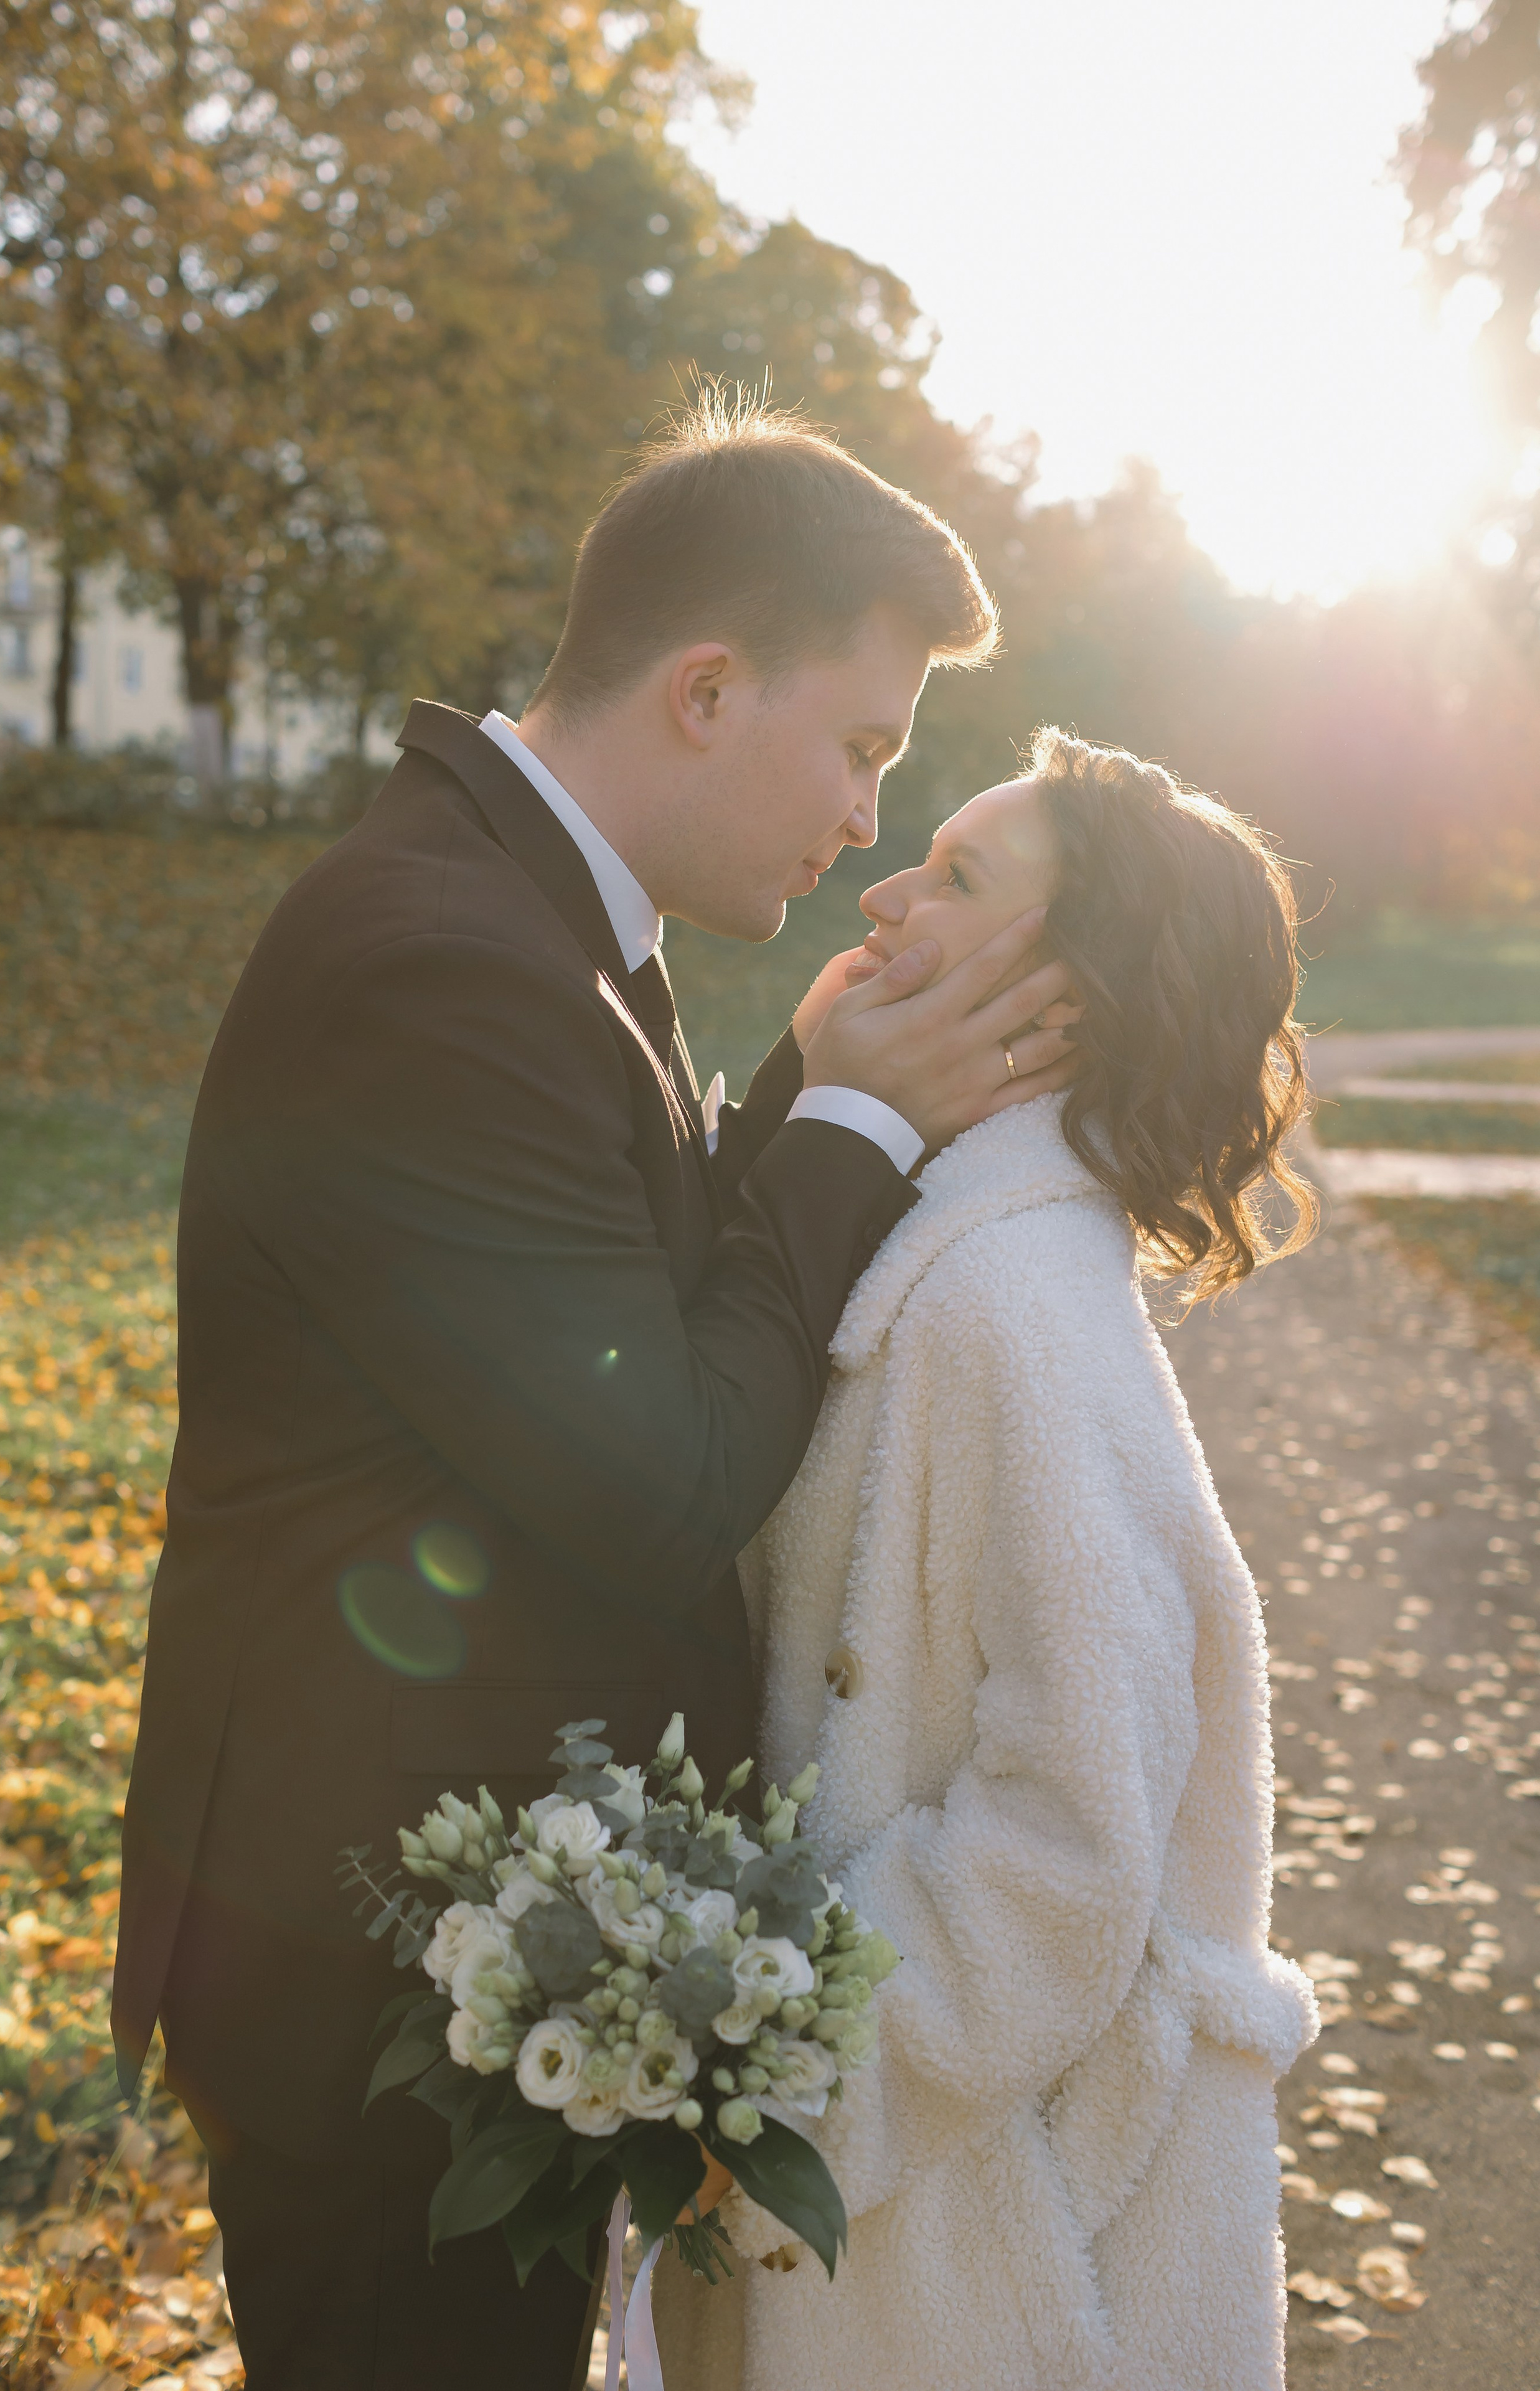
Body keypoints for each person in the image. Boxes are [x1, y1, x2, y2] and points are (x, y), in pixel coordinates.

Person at [110, 400, 1082, 2390]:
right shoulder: (439, 961)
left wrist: (809, 1083)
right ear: (710, 689)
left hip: (456, 1947)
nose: (869, 822)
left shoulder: (537, 924)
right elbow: (661, 1469)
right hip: (366, 1983)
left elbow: (602, 1303)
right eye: (865, 744)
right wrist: (861, 1126)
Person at [659, 728, 1323, 2391]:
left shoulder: (1010, 1309)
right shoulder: (941, 1245)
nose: (882, 889)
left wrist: (778, 2072)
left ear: (1074, 996)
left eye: (957, 876)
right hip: (915, 2205)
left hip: (992, 2249)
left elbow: (1074, 1835)